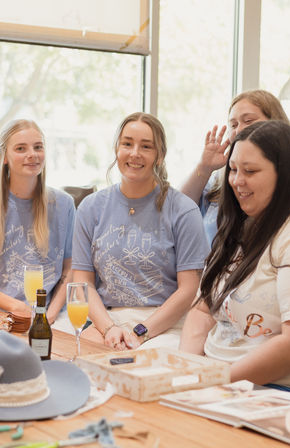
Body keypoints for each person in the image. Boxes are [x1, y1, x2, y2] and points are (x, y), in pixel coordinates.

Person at [72, 112, 209, 350]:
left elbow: (188, 290)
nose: (135, 153)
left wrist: (140, 332)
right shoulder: (91, 207)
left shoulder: (183, 210)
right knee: (73, 362)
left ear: (160, 155)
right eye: (127, 144)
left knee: (137, 370)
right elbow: (82, 285)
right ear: (117, 149)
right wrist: (109, 328)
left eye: (146, 146)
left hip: (164, 324)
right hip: (107, 321)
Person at [180, 120, 290, 388]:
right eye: (232, 170)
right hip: (212, 377)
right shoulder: (236, 228)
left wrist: (212, 380)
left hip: (264, 389)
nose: (237, 181)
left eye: (250, 171)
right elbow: (202, 310)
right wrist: (183, 369)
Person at [0, 119, 75, 324]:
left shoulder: (64, 204)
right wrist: (13, 306)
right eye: (21, 148)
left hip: (49, 314)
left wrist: (50, 314)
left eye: (38, 147)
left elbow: (71, 268)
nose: (32, 154)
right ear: (4, 157)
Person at [181, 90, 290, 246]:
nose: (239, 130)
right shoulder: (222, 178)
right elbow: (177, 211)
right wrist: (204, 168)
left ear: (274, 123)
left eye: (248, 121)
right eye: (233, 125)